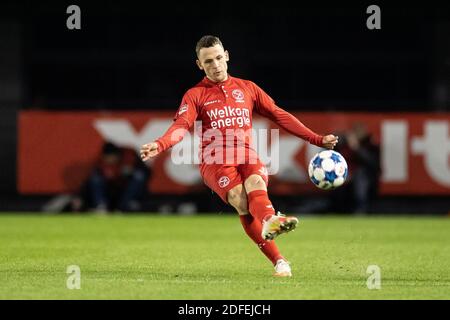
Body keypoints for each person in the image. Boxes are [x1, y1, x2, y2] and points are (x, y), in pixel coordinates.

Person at [140, 35, 338, 277]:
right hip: (215, 161)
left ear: (227, 56)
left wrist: (316, 139)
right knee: (240, 200)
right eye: (208, 61)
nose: (215, 65)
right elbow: (182, 125)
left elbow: (279, 114)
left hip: (246, 153)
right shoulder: (195, 95)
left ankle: (274, 236)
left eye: (219, 58)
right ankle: (276, 250)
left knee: (256, 184)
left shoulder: (248, 88)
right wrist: (160, 144)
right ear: (199, 65)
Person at [72, 142, 150, 213]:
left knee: (139, 176)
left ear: (116, 155)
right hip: (110, 192)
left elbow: (146, 172)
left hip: (127, 190)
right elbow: (90, 182)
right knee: (96, 179)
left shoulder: (129, 156)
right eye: (107, 158)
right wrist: (80, 197)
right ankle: (101, 206)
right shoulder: (101, 164)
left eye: (111, 157)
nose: (109, 160)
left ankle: (125, 206)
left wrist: (131, 172)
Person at [334, 122, 381, 214]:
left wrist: (356, 148)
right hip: (346, 174)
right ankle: (338, 210)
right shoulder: (344, 144)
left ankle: (360, 210)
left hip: (366, 177)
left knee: (360, 176)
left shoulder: (370, 145)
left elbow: (372, 163)